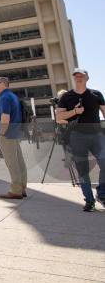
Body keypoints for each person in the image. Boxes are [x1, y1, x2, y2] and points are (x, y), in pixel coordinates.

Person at [56, 68, 105, 212]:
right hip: (77, 137)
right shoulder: (66, 97)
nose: (79, 78)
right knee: (83, 171)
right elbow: (59, 118)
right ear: (73, 78)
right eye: (76, 76)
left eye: (81, 76)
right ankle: (89, 201)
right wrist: (74, 112)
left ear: (87, 78)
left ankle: (101, 194)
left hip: (97, 135)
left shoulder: (96, 94)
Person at [0, 77, 26, 199]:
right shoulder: (13, 96)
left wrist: (1, 133)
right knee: (19, 162)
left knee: (12, 163)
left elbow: (5, 117)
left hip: (7, 134)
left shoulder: (4, 97)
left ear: (4, 84)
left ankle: (16, 191)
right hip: (15, 133)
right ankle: (22, 188)